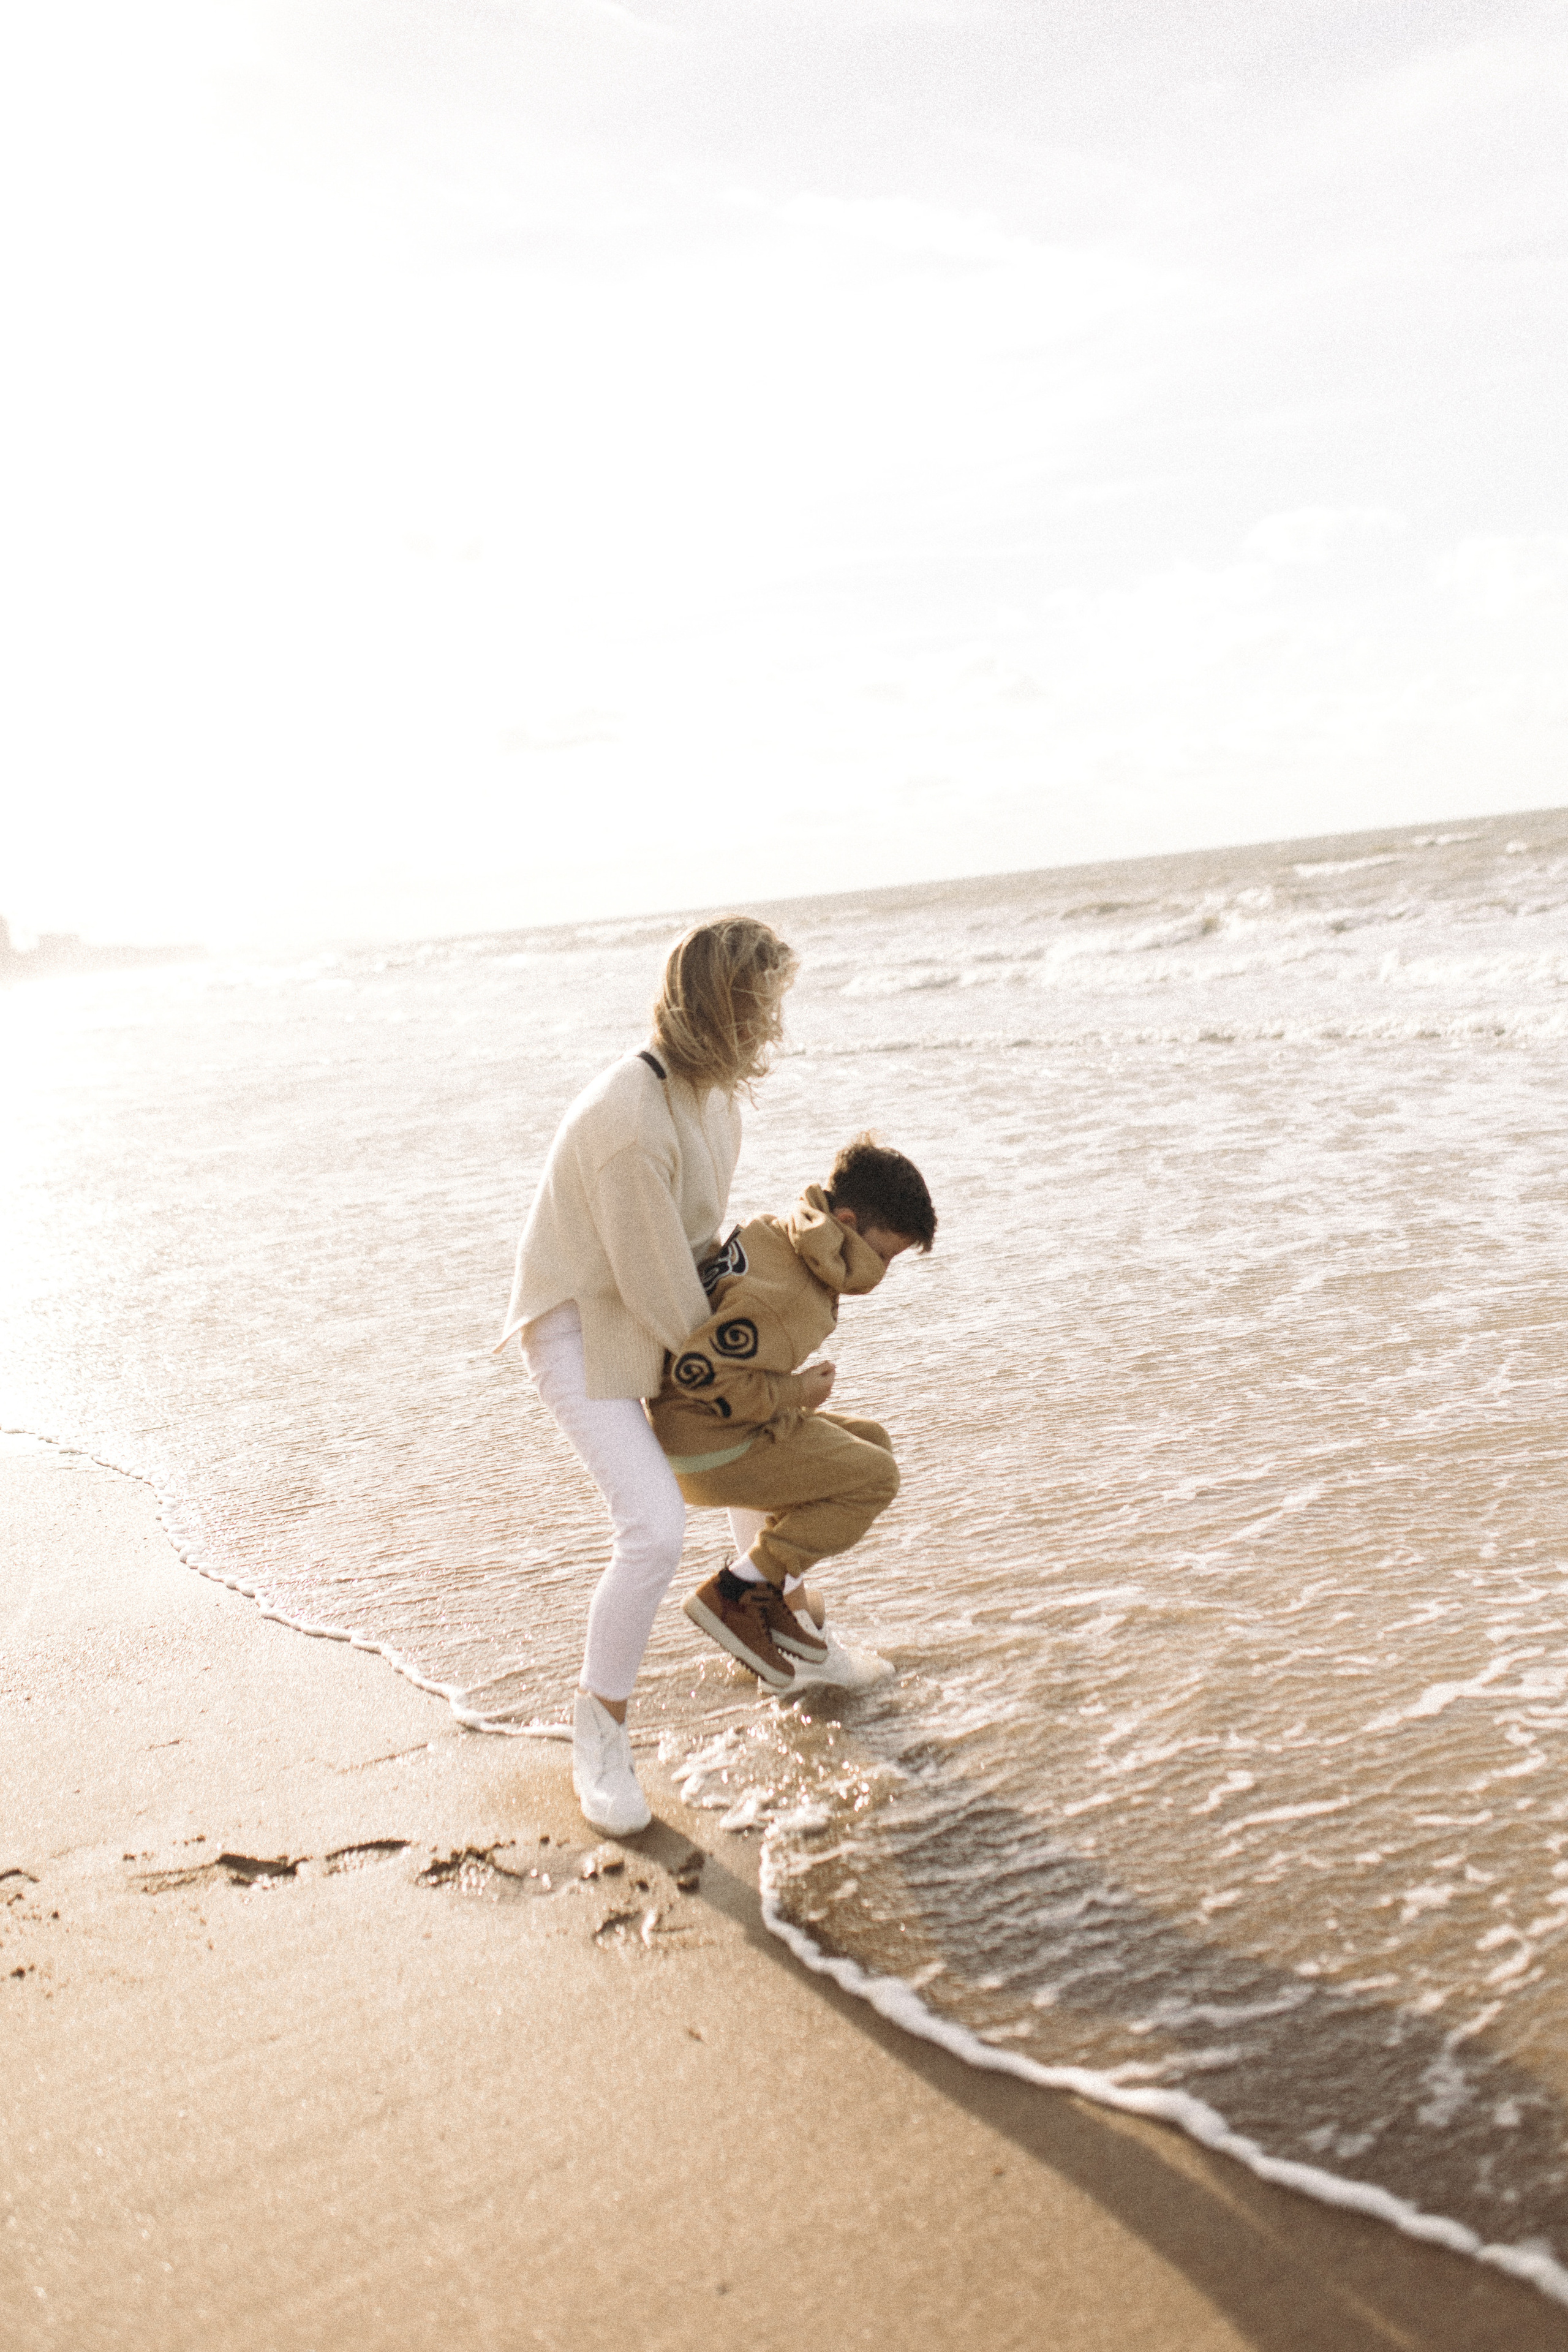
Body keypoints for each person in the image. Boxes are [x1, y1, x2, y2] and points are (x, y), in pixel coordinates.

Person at [498, 915, 798, 1836]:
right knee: (655, 1529)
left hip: (652, 1299)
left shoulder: (712, 1096)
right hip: (578, 1326)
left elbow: (697, 1253)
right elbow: (660, 1290)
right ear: (721, 1008)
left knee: (765, 1456)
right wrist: (756, 1382)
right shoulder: (631, 1120)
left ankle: (775, 1633)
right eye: (763, 1006)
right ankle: (599, 1731)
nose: (775, 1026)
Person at [647, 1135, 937, 1689]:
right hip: (706, 1446)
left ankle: (777, 1599)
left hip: (704, 1427)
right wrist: (796, 1391)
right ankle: (736, 1592)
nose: (881, 1273)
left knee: (871, 1442)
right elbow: (698, 1374)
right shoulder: (789, 1296)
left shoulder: (777, 1231)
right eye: (882, 1256)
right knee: (876, 1478)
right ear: (847, 1222)